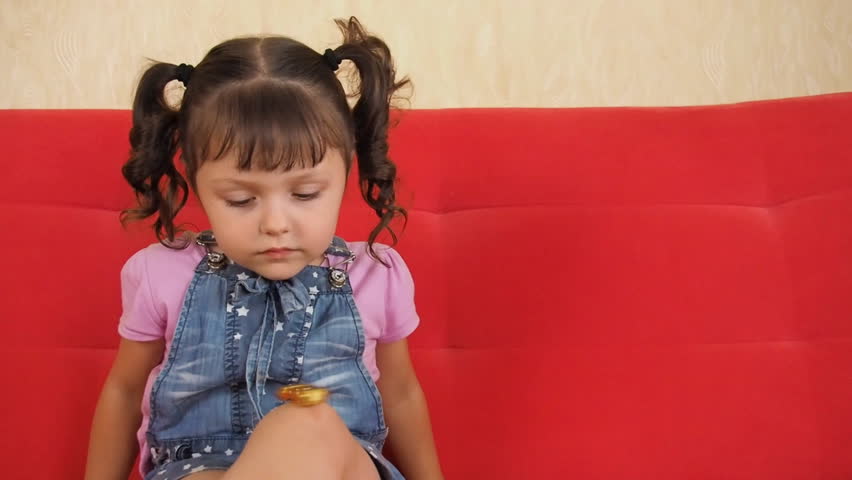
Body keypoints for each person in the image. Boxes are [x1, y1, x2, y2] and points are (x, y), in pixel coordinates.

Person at [85, 17, 443, 480]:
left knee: (305, 425)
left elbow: (401, 394)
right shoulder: (162, 273)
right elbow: (124, 390)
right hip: (199, 467)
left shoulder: (375, 276)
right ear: (197, 185)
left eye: (305, 194)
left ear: (344, 176)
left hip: (340, 466)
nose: (275, 224)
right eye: (240, 200)